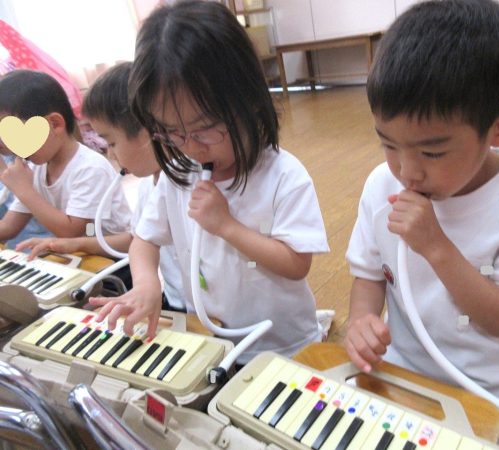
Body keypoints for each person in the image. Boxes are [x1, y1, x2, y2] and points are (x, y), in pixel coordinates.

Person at [344, 1, 499, 448]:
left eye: (432, 152)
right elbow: (369, 274)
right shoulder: (380, 185)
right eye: (388, 144)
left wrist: (437, 247)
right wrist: (360, 320)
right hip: (413, 382)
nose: (406, 171)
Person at [90, 1, 329, 364]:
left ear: (247, 100)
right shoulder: (179, 173)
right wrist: (146, 285)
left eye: (203, 129)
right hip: (211, 338)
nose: (189, 146)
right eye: (171, 131)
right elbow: (144, 240)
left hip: (283, 346)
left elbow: (297, 264)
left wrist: (226, 226)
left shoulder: (284, 176)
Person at [15, 63, 188, 312]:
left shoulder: (91, 168)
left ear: (147, 133)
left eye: (112, 143)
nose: (110, 154)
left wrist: (24, 191)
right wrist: (76, 244)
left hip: (135, 275)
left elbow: (76, 228)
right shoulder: (148, 187)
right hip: (173, 296)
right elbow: (138, 238)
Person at [0, 70, 131, 245]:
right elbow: (9, 227)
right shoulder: (35, 169)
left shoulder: (90, 167)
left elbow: (71, 231)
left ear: (54, 124)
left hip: (113, 255)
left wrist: (24, 190)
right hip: (77, 253)